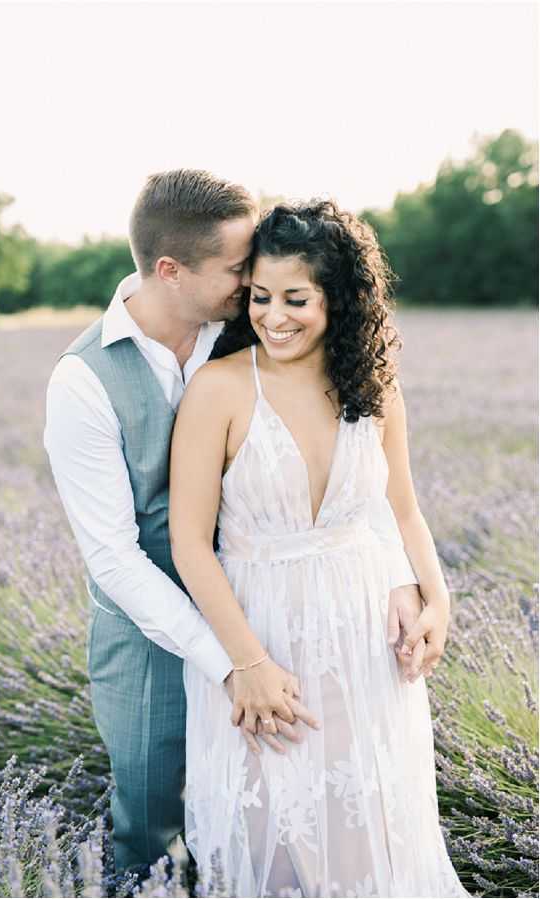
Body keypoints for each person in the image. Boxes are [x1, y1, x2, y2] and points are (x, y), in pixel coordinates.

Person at [44, 170, 433, 878]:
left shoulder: (250, 325)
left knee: (321, 814)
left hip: (294, 615)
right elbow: (117, 559)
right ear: (171, 271)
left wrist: (407, 578)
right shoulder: (83, 383)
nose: (254, 286)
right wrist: (236, 663)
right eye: (239, 272)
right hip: (156, 630)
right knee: (153, 820)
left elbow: (371, 485)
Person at [169, 200, 470, 897]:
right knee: (268, 841)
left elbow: (401, 508)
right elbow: (190, 543)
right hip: (259, 639)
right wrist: (248, 661)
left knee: (369, 842)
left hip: (362, 650)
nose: (274, 316)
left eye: (296, 298)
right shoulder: (219, 390)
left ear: (339, 297)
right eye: (261, 297)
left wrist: (436, 597)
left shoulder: (375, 384)